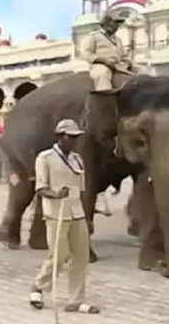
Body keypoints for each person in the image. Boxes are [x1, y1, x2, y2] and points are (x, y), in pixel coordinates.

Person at [28, 119, 99, 314]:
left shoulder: (77, 159)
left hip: (77, 212)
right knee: (59, 255)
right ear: (60, 136)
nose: (74, 141)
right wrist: (56, 194)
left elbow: (82, 189)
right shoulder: (45, 158)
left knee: (81, 257)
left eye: (76, 137)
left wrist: (88, 214)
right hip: (56, 213)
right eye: (70, 137)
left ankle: (76, 300)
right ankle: (38, 286)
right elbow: (41, 188)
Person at [80, 11, 132, 94]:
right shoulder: (94, 36)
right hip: (101, 66)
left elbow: (124, 56)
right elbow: (85, 53)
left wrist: (128, 62)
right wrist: (103, 60)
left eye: (118, 23)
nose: (117, 26)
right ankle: (105, 101)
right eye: (115, 23)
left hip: (118, 65)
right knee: (102, 75)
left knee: (142, 70)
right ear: (106, 23)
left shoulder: (118, 40)